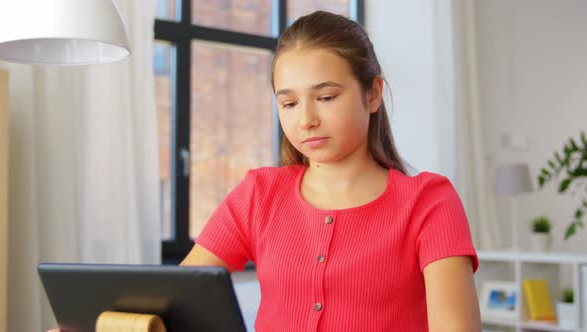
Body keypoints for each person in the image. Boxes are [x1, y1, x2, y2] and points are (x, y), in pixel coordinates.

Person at [49, 10, 481, 332]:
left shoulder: (428, 201)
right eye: (289, 103)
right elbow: (175, 299)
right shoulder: (260, 193)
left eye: (326, 97)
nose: (305, 119)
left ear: (372, 94)